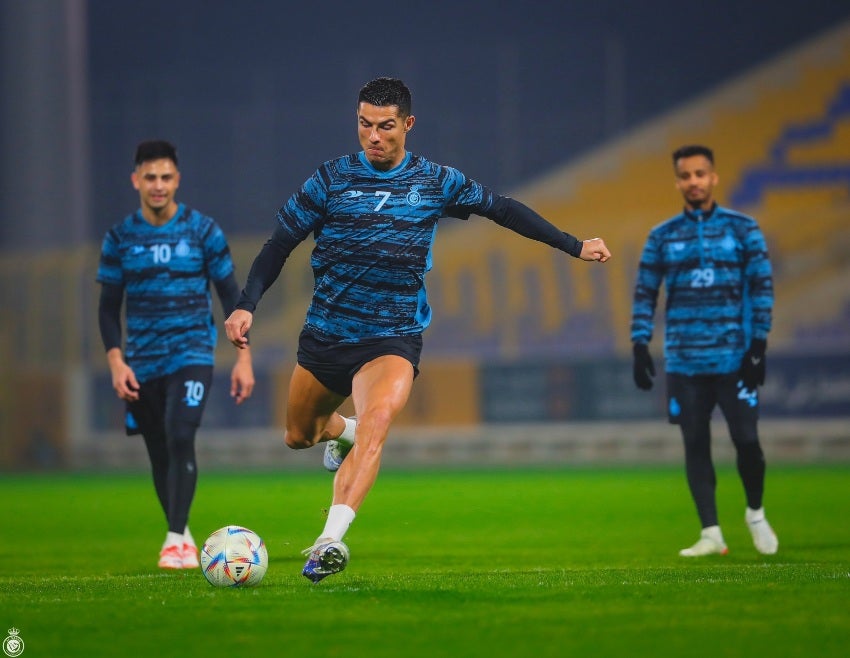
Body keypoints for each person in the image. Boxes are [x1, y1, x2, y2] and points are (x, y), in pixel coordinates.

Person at [224, 76, 611, 583]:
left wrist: (573, 244)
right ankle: (345, 433)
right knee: (301, 435)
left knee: (380, 419)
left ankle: (329, 540)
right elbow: (278, 246)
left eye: (386, 127)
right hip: (326, 336)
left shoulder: (435, 181)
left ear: (407, 125)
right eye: (365, 125)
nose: (374, 137)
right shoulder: (330, 180)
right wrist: (247, 303)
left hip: (392, 339)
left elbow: (502, 209)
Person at [97, 140, 255, 569]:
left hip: (192, 352)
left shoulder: (203, 231)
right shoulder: (120, 239)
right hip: (142, 361)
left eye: (166, 177)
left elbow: (230, 297)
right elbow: (108, 309)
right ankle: (181, 535)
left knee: (181, 434)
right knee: (159, 451)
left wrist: (242, 358)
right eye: (150, 177)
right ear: (136, 181)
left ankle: (172, 539)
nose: (158, 185)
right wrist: (116, 362)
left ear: (177, 180)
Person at [630, 144, 778, 557]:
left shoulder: (743, 228)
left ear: (713, 177)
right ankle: (711, 532)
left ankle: (755, 511)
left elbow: (762, 287)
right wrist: (640, 342)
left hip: (733, 358)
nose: (693, 181)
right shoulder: (662, 236)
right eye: (685, 175)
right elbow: (645, 292)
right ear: (677, 181)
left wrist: (759, 344)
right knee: (695, 443)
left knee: (747, 441)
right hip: (684, 361)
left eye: (699, 174)